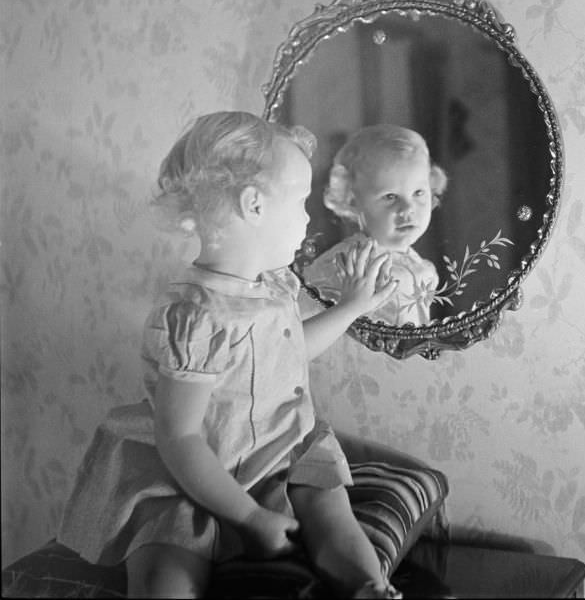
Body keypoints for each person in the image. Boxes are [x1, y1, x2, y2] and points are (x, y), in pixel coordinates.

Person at [58, 111, 402, 599]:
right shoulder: (195, 315)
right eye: (302, 201)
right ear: (254, 205)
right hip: (196, 468)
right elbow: (179, 437)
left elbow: (287, 353)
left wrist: (351, 308)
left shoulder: (273, 286)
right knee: (165, 560)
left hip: (280, 448)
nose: (309, 217)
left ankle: (370, 586)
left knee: (328, 504)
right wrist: (249, 516)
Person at [303, 124, 447, 326]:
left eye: (418, 193)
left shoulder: (419, 265)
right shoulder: (345, 264)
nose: (408, 208)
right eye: (390, 197)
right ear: (353, 200)